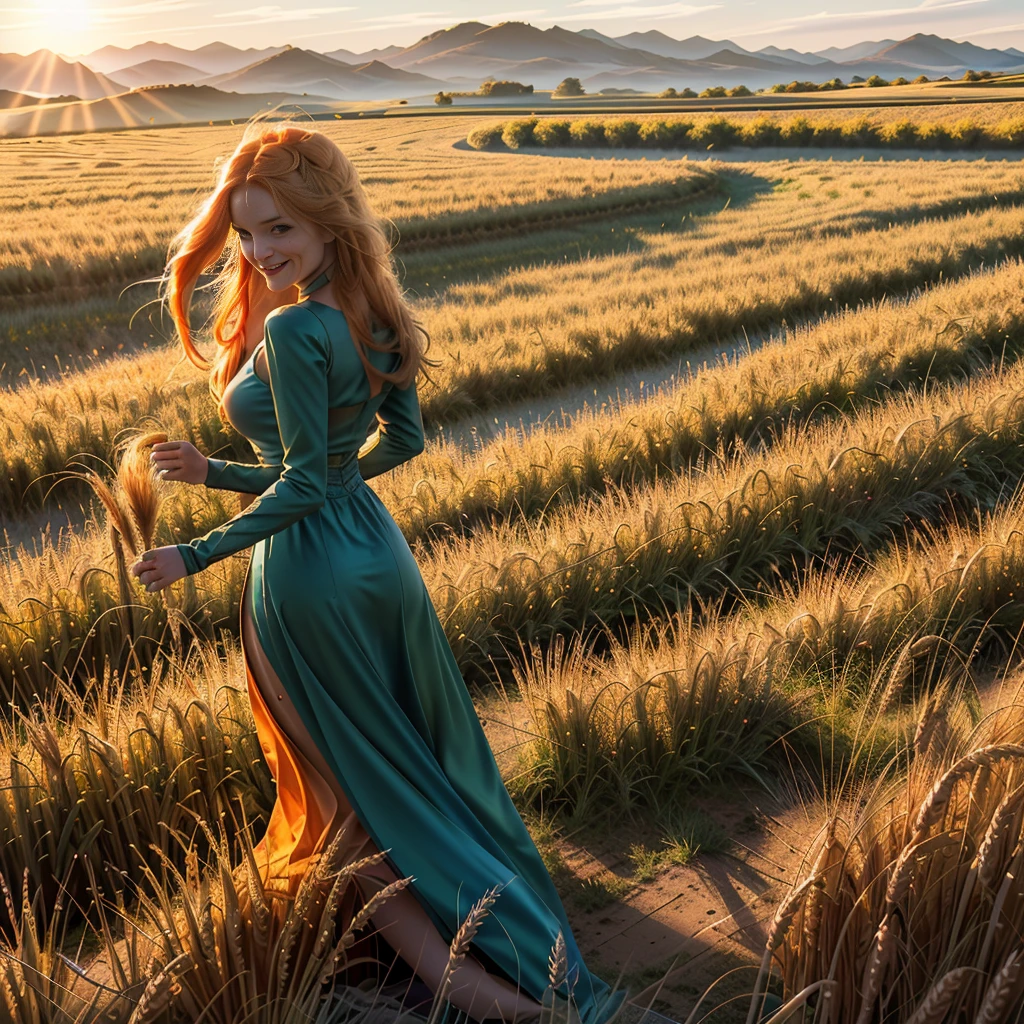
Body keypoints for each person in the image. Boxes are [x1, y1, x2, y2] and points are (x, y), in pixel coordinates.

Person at [129, 120, 622, 1024]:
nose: (258, 251)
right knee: (407, 771)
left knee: (347, 795)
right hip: (376, 555)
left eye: (278, 228)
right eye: (244, 232)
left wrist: (195, 552)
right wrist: (220, 474)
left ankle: (469, 991)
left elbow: (304, 482)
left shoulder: (295, 332)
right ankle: (494, 945)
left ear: (325, 222)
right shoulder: (374, 310)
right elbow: (390, 446)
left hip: (308, 578)